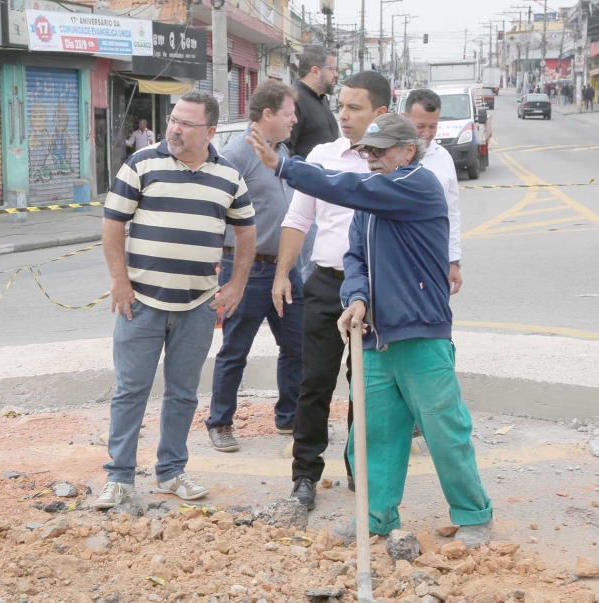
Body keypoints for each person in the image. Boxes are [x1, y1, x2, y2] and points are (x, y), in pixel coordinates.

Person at [246, 112, 494, 548]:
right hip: (374, 337)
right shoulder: (371, 204)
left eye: (380, 151)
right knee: (375, 434)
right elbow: (354, 259)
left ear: (407, 151)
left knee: (444, 429)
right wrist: (355, 298)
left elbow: (351, 187)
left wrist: (287, 167)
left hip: (420, 334)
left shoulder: (417, 184)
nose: (372, 158)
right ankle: (377, 517)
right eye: (368, 150)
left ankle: (473, 514)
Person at [92, 90, 257, 509]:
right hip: (141, 303)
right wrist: (119, 281)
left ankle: (170, 472)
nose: (175, 129)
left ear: (211, 131)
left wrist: (236, 285)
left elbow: (246, 233)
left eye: (186, 123)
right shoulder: (142, 163)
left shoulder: (229, 177)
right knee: (131, 391)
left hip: (198, 306)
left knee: (183, 393)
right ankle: (119, 478)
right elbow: (112, 224)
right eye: (173, 120)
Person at [272, 71, 390, 511]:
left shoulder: (390, 162)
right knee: (315, 382)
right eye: (340, 105)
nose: (343, 114)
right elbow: (298, 220)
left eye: (354, 107)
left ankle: (361, 469)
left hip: (377, 292)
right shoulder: (322, 155)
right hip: (325, 285)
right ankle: (305, 475)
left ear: (380, 112)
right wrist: (284, 273)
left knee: (368, 385)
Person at [206, 80, 303, 453]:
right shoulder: (238, 153)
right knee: (235, 349)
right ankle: (220, 422)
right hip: (248, 271)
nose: (294, 120)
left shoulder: (282, 151)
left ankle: (288, 415)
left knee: (297, 345)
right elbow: (216, 209)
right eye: (288, 114)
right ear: (267, 115)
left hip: (286, 270)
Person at [288, 46, 341, 282]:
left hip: (327, 199)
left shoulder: (321, 101)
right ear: (316, 71)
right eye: (334, 68)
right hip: (306, 203)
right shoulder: (295, 100)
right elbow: (285, 149)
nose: (337, 74)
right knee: (309, 270)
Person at [402, 89, 463, 294]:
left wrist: (453, 260)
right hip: (396, 265)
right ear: (405, 119)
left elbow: (451, 214)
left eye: (433, 126)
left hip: (434, 264)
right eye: (420, 126)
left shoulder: (444, 158)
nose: (427, 133)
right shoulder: (388, 157)